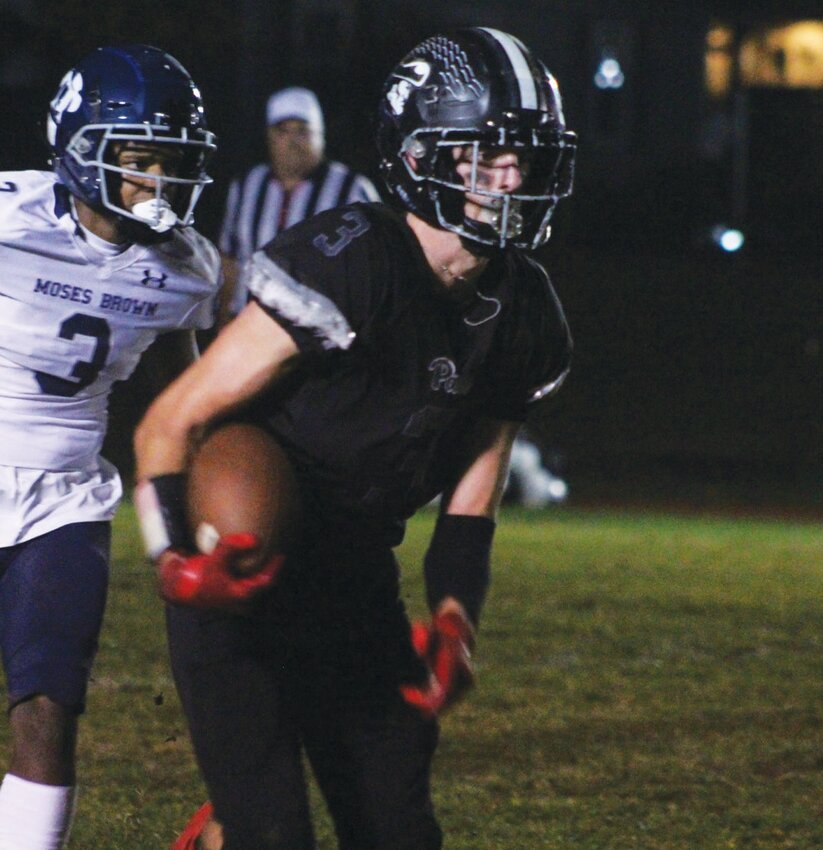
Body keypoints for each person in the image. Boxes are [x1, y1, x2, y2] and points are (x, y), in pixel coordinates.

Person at [133, 26, 577, 850]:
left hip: (354, 585)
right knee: (275, 834)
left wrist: (454, 619)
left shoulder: (527, 315)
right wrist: (176, 564)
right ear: (421, 156)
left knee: (399, 832)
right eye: (487, 154)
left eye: (525, 155)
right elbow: (173, 420)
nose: (514, 176)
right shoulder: (353, 260)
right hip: (243, 575)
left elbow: (472, 504)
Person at [0, 45, 220, 850]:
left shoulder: (184, 269)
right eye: (139, 159)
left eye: (174, 161)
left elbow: (186, 397)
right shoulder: (7, 218)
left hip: (63, 500)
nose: (158, 180)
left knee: (49, 707)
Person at [216, 86, 380, 324]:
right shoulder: (247, 184)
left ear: (320, 134)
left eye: (302, 131)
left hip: (321, 332)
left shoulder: (352, 188)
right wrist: (223, 320)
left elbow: (373, 267)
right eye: (282, 131)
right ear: (269, 136)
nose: (292, 141)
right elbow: (230, 260)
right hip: (248, 325)